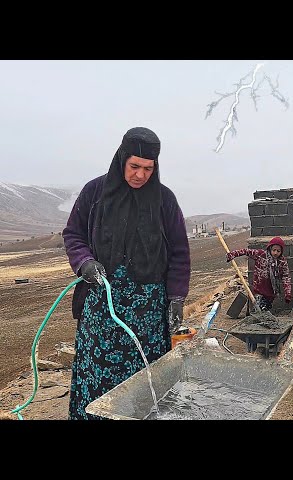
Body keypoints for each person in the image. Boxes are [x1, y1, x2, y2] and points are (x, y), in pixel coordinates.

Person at [62, 126, 191, 420]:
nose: (140, 175)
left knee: (145, 381)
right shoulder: (94, 192)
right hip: (101, 308)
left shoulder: (164, 200)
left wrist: (176, 298)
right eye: (135, 166)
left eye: (148, 168)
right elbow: (73, 234)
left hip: (147, 313)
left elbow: (180, 253)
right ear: (122, 159)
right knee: (98, 378)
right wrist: (84, 262)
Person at [226, 236, 292, 311]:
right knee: (259, 309)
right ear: (270, 248)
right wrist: (233, 254)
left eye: (278, 251)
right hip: (259, 290)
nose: (275, 253)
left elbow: (286, 277)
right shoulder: (261, 255)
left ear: (281, 252)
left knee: (265, 310)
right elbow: (246, 251)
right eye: (274, 250)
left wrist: (288, 293)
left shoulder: (282, 262)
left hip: (271, 293)